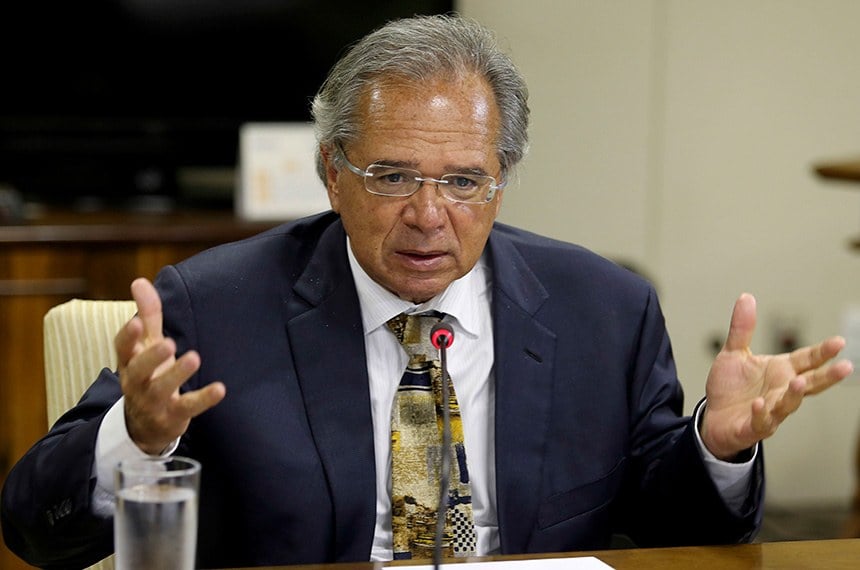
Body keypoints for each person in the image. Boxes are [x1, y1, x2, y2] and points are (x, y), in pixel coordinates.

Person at [1, 14, 852, 570]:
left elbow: (682, 535)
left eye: (464, 182)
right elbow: (35, 526)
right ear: (331, 173)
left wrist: (718, 444)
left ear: (503, 181)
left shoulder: (605, 309)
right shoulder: (215, 305)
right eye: (392, 175)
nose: (428, 217)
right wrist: (138, 439)